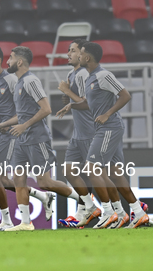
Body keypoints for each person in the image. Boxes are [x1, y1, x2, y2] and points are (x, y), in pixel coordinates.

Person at [0, 46, 81, 231]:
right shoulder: (19, 83)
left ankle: (86, 201)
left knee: (44, 182)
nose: (7, 62)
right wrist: (2, 124)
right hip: (21, 139)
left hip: (37, 138)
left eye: (11, 58)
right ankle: (25, 223)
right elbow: (22, 115)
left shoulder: (31, 80)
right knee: (18, 180)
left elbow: (46, 109)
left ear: (20, 62)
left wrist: (24, 125)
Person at [0, 46, 53, 232]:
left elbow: (21, 107)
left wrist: (10, 125)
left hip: (11, 134)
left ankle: (7, 221)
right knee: (1, 178)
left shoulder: (11, 79)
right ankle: (40, 197)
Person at [72, 42, 149, 229]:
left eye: (81, 54)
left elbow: (125, 95)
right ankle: (138, 213)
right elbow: (92, 104)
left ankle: (109, 212)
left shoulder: (103, 75)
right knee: (115, 173)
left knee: (91, 169)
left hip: (110, 127)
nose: (79, 57)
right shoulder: (90, 78)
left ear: (87, 58)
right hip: (104, 128)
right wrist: (72, 105)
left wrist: (107, 113)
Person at [55, 39, 98, 228]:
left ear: (82, 55)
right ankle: (87, 208)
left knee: (98, 175)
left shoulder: (82, 74)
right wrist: (69, 102)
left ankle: (123, 211)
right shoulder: (71, 74)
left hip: (89, 132)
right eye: (69, 50)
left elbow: (88, 103)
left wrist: (67, 93)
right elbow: (78, 100)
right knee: (69, 171)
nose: (69, 54)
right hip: (78, 133)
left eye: (73, 51)